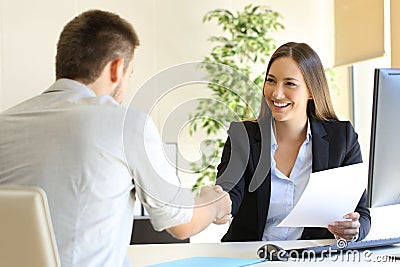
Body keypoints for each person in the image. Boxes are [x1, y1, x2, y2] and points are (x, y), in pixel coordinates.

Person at [0, 10, 231, 267]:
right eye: (129, 74)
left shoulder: (5, 124)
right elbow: (181, 224)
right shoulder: (126, 124)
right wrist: (215, 203)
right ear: (117, 68)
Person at [216, 42, 371, 242]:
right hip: (252, 257)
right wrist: (218, 204)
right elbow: (230, 191)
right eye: (271, 81)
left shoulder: (341, 139)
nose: (276, 93)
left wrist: (354, 230)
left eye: (290, 83)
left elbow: (361, 213)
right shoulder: (243, 136)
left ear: (312, 91)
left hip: (312, 259)